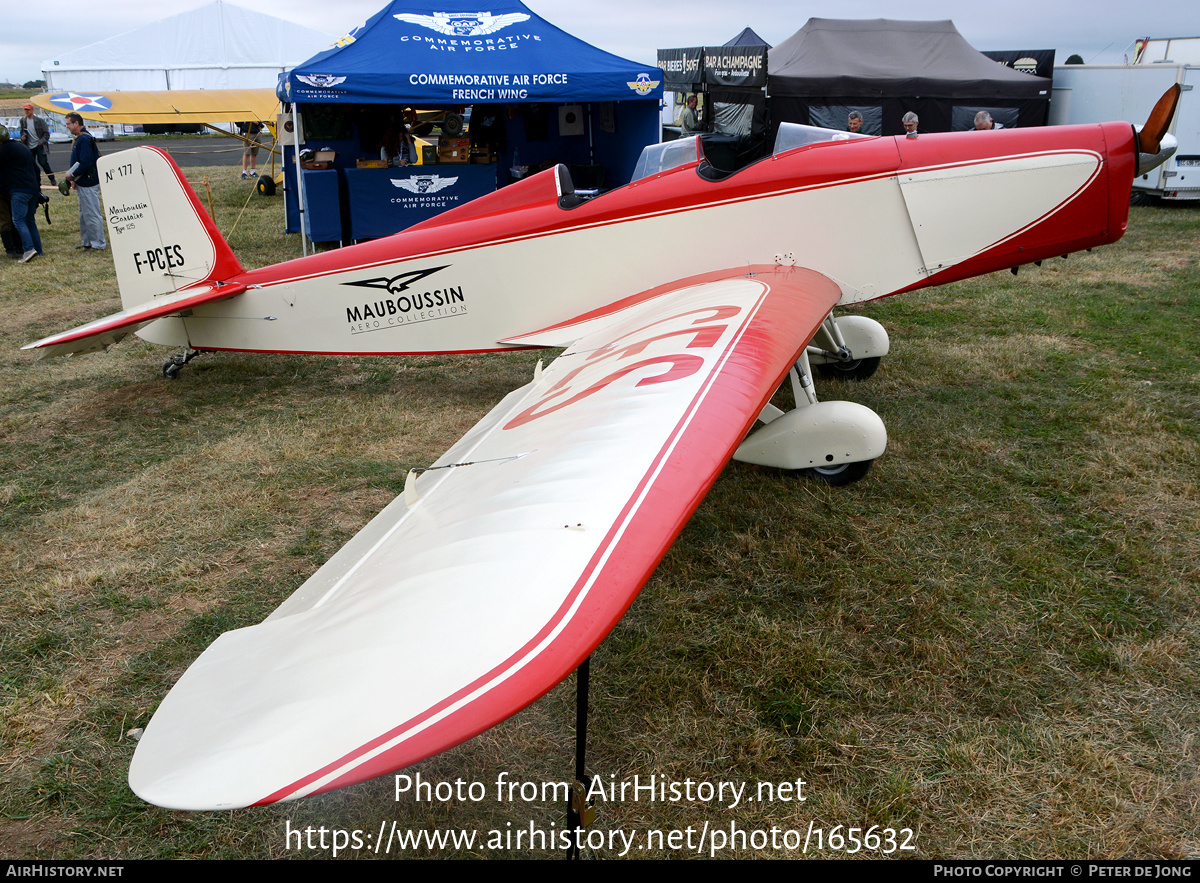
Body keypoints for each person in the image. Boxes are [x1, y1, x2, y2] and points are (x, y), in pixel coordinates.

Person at [0, 128, 44, 262]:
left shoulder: (4, 150)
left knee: (17, 220)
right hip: (32, 189)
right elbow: (36, 169)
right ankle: (38, 249)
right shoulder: (22, 147)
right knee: (30, 220)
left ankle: (28, 249)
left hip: (18, 191)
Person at [63, 112, 106, 251]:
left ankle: (98, 243)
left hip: (88, 182)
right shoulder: (80, 139)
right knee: (84, 213)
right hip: (82, 181)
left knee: (92, 213)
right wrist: (75, 179)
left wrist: (73, 174)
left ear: (76, 123)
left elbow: (86, 161)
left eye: (68, 124)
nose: (67, 127)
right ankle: (87, 242)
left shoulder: (84, 139)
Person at [19, 103, 56, 186]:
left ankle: (51, 178)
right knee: (31, 164)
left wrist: (41, 142)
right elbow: (21, 131)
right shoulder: (23, 121)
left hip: (39, 145)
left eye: (28, 109)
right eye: (25, 109)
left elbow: (46, 134)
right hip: (29, 146)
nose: (27, 111)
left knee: (43, 162)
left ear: (32, 110)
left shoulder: (39, 121)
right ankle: (36, 181)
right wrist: (22, 137)